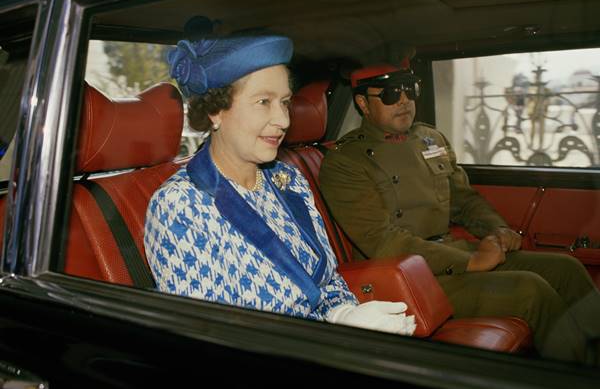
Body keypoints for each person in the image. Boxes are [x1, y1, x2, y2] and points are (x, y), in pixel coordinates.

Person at [319, 62, 600, 365]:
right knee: (531, 290)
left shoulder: (430, 139)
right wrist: (470, 261)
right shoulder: (345, 162)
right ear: (362, 103)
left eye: (409, 90)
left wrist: (498, 230)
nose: (403, 100)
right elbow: (382, 240)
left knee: (566, 270)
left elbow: (464, 200)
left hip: (450, 250)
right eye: (389, 94)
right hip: (407, 276)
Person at [143, 35, 416, 336]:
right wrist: (331, 338)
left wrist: (343, 312)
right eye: (263, 102)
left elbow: (326, 282)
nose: (283, 120)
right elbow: (212, 340)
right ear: (215, 111)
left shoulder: (288, 180)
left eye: (285, 102)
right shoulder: (180, 206)